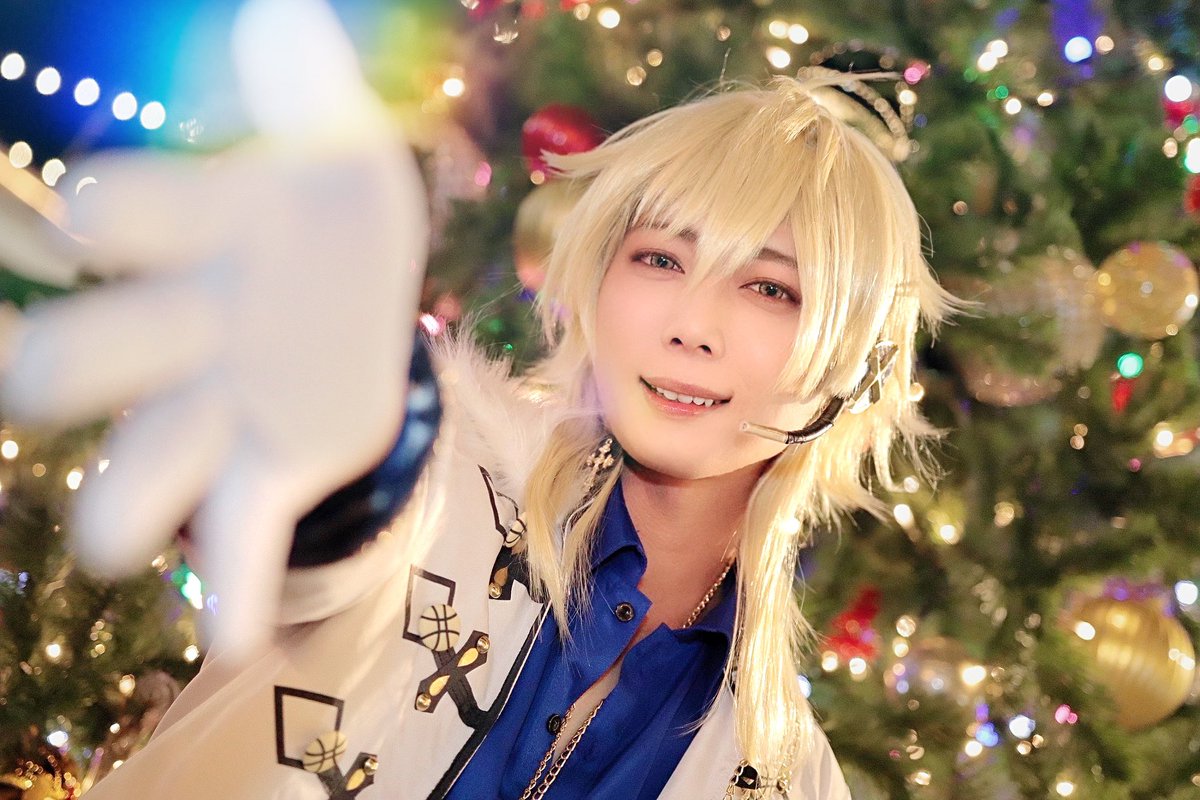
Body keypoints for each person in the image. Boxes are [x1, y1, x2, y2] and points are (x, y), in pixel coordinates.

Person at [0, 2, 957, 797]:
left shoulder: (787, 776)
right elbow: (338, 527)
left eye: (771, 287)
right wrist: (341, 440)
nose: (692, 323)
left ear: (856, 366)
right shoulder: (448, 477)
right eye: (661, 259)